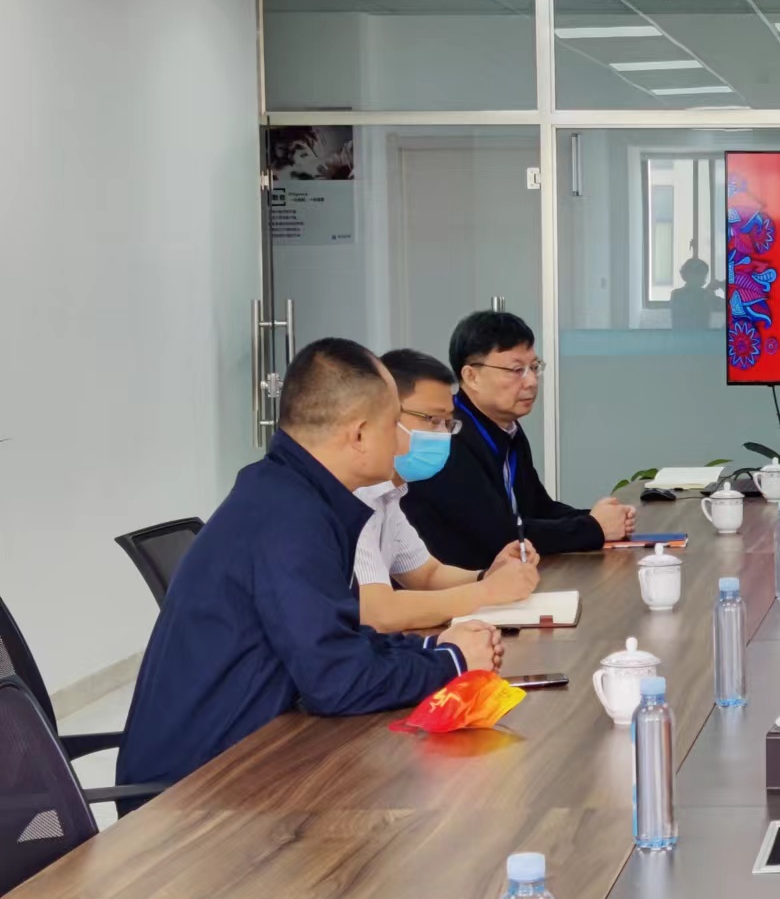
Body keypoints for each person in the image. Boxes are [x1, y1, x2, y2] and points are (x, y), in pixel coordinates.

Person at [118, 339, 500, 790]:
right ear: (359, 435)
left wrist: (432, 649)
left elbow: (339, 638)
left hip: (247, 756)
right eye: (392, 425)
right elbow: (337, 682)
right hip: (197, 792)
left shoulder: (290, 493)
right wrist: (452, 662)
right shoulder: (289, 518)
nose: (401, 441)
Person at [402, 310, 635, 569]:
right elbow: (498, 535)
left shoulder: (507, 428)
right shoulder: (447, 436)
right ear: (471, 376)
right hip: (460, 585)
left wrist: (602, 518)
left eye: (534, 368)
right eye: (516, 370)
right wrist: (593, 527)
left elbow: (538, 509)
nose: (532, 381)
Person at [352, 349, 542, 633]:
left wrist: (488, 575)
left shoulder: (389, 494)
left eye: (447, 422)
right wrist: (487, 592)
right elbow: (379, 613)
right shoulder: (355, 495)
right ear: (386, 415)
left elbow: (427, 575)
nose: (442, 434)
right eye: (431, 419)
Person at [669, 256, 718, 329]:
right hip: (683, 335)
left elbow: (725, 307)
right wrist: (706, 294)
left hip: (703, 335)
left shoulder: (707, 294)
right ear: (689, 275)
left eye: (704, 275)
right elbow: (690, 311)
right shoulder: (677, 294)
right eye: (700, 274)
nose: (704, 280)